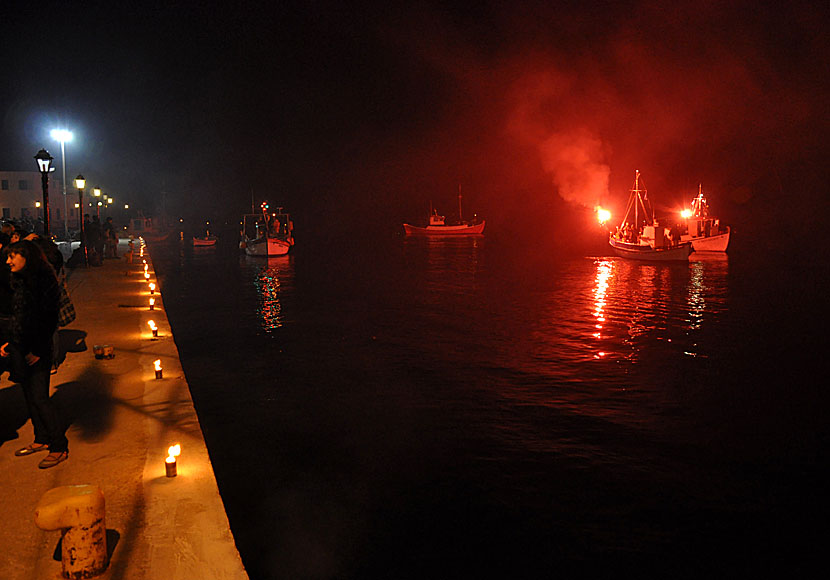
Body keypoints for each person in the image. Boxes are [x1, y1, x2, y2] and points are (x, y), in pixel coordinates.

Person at [0, 240, 67, 469]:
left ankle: (59, 446)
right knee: (29, 396)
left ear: (26, 257)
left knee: (40, 397)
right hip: (20, 346)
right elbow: (18, 317)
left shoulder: (43, 281)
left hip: (37, 349)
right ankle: (41, 439)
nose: (8, 261)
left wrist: (38, 350)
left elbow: (48, 320)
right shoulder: (18, 280)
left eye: (13, 257)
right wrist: (10, 343)